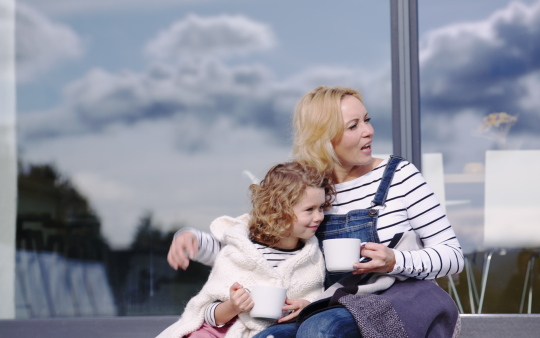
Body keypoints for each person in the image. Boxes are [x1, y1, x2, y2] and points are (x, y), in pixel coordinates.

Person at [168, 86, 465, 337]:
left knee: (321, 329)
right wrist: (191, 239)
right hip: (330, 304)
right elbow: (250, 247)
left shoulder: (399, 175)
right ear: (324, 137)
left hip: (399, 301)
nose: (368, 131)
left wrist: (394, 261)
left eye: (367, 120)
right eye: (353, 126)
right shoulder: (308, 188)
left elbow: (453, 257)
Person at [157, 161, 334, 338]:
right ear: (280, 209)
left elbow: (315, 301)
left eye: (321, 208)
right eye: (309, 209)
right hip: (219, 330)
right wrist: (187, 236)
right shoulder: (241, 247)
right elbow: (209, 314)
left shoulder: (311, 259)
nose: (319, 217)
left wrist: (306, 307)